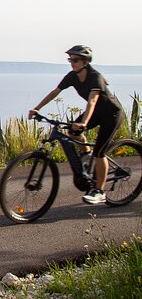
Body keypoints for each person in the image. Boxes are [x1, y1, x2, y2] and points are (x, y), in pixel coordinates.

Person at [28, 45, 123, 205]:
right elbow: (55, 92)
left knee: (100, 152)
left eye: (75, 59)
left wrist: (84, 123)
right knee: (72, 132)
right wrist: (37, 108)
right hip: (96, 113)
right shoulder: (72, 76)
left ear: (85, 61)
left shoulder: (95, 77)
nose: (72, 62)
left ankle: (99, 191)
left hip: (111, 114)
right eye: (70, 59)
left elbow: (92, 101)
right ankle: (86, 155)